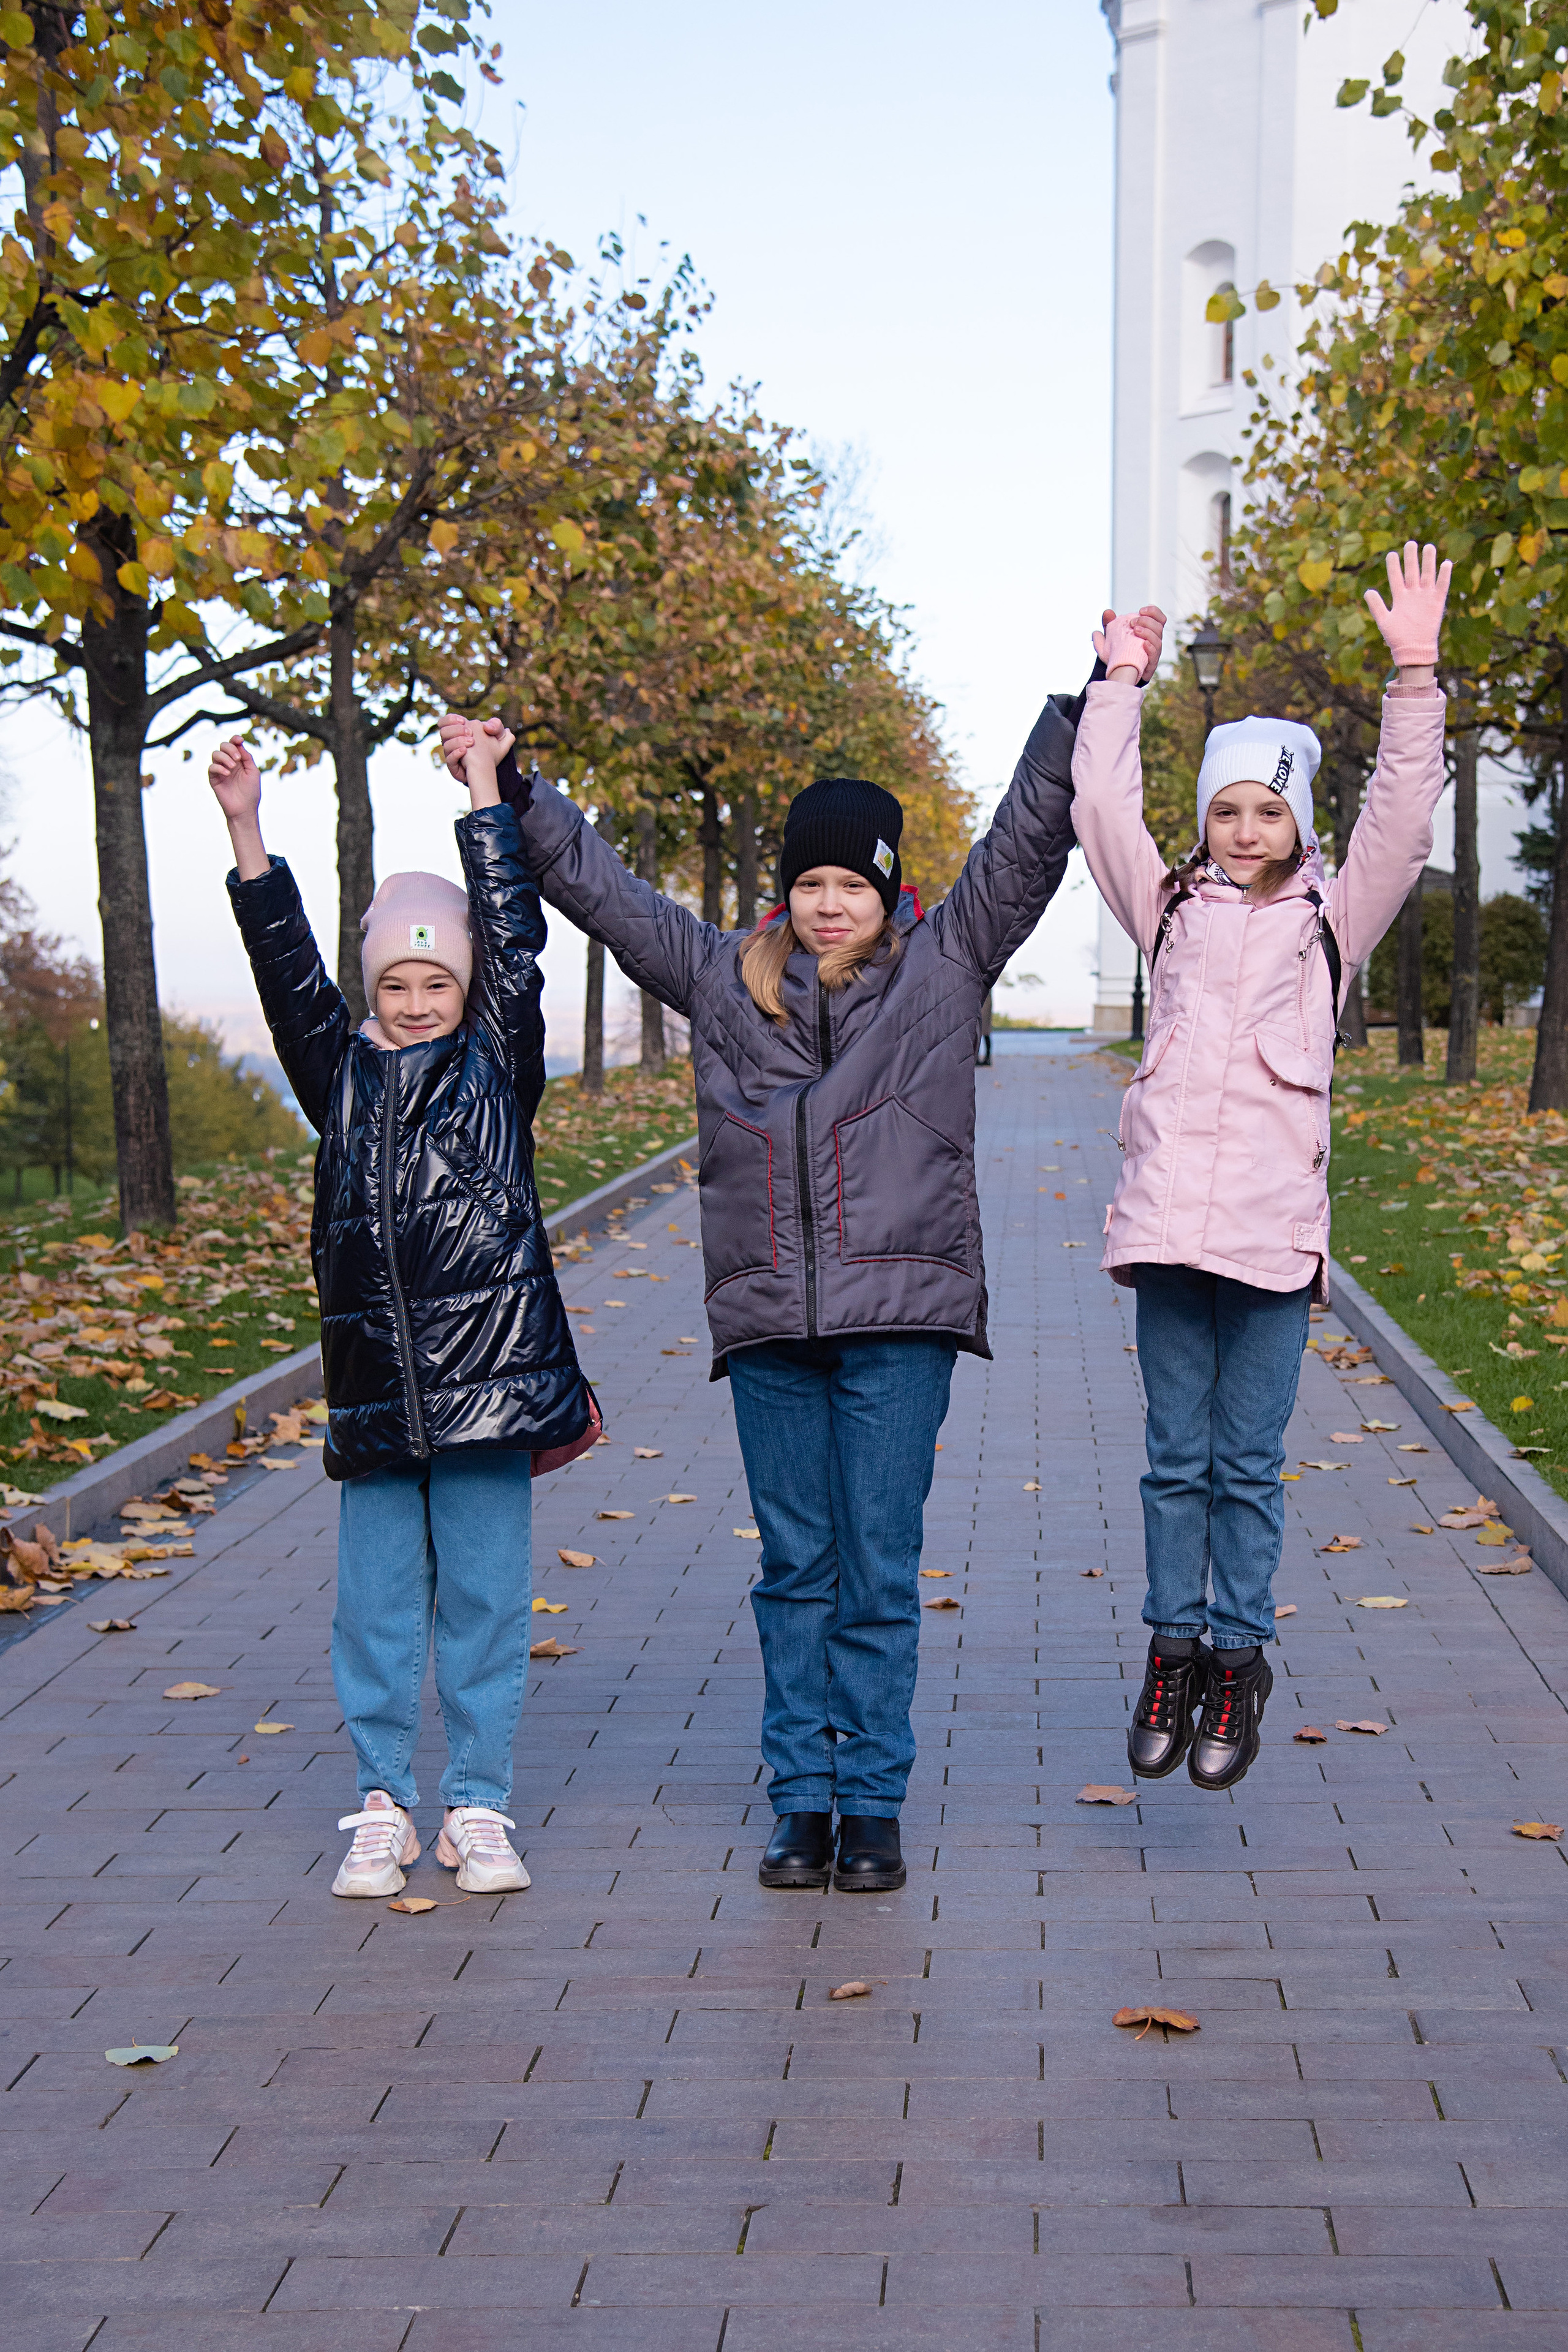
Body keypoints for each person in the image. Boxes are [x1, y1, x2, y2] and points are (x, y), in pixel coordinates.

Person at [437, 617, 1165, 1894]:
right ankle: (802, 1798)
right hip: (771, 1322)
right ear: (787, 890)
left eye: (856, 883)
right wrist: (510, 790)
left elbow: (1025, 841)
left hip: (899, 1324)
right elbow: (604, 895)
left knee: (876, 1571)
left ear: (889, 892)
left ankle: (869, 1801)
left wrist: (1097, 694)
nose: (832, 903)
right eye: (813, 883)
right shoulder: (723, 980)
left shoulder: (944, 971)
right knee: (794, 1570)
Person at [1072, 543, 1450, 1790]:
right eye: (1226, 810)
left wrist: (1412, 676)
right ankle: (1167, 1649)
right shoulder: (1167, 909)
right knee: (1169, 1460)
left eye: (1266, 810)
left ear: (1298, 818)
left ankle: (1236, 1659)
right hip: (1169, 1237)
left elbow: (1401, 816)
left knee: (1244, 1464)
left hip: (1271, 1247)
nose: (1243, 831)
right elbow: (1096, 810)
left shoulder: (1332, 923)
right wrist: (1114, 686)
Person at [208, 724, 595, 1899]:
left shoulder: (494, 1063)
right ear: (370, 988)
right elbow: (285, 968)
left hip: (492, 1386)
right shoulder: (338, 1073)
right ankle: (383, 1800)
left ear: (466, 989)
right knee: (374, 1610)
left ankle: (479, 1804)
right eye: (395, 983)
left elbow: (517, 937)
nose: (417, 1000)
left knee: (482, 1602)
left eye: (437, 981)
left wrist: (485, 789)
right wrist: (245, 828)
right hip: (377, 1390)